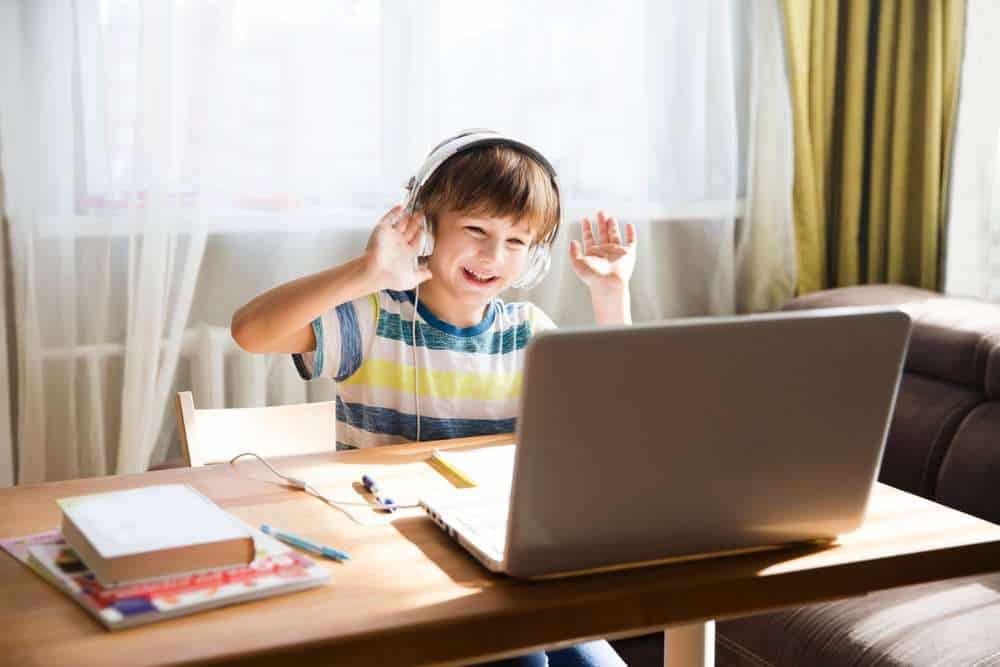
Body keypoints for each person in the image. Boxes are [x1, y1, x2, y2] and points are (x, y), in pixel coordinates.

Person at [231, 131, 636, 666]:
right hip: (397, 565)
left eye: (517, 242)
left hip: (500, 556)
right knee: (524, 659)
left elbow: (620, 413)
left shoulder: (529, 331)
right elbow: (250, 331)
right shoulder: (375, 319)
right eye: (476, 230)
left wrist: (611, 296)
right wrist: (366, 273)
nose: (494, 255)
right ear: (426, 227)